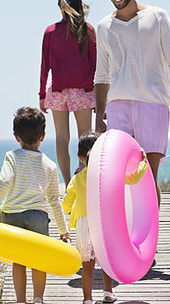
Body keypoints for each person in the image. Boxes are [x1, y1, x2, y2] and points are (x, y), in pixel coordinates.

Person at [93, 0, 170, 207]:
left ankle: (150, 240)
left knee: (148, 174)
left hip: (153, 104)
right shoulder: (104, 27)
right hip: (117, 107)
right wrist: (99, 115)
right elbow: (101, 75)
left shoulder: (157, 17)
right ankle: (126, 239)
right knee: (122, 175)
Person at [0, 107, 70, 304]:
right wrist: (63, 230)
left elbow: (4, 182)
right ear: (43, 136)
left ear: (16, 136)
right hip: (37, 215)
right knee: (39, 259)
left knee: (18, 260)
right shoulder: (50, 165)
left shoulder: (12, 156)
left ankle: (21, 301)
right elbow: (55, 200)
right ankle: (38, 299)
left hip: (12, 214)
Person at [39, 0, 97, 187]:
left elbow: (44, 66)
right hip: (83, 92)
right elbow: (95, 65)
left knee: (62, 139)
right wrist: (97, 95)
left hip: (57, 92)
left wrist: (41, 95)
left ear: (60, 6)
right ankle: (84, 179)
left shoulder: (50, 32)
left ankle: (67, 184)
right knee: (87, 140)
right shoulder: (87, 30)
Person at [61, 130, 116, 304]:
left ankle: (88, 299)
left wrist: (66, 208)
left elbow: (66, 204)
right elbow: (129, 181)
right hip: (102, 221)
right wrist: (142, 163)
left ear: (80, 156)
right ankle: (108, 293)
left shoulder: (77, 179)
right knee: (105, 262)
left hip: (84, 223)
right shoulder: (107, 177)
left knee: (87, 264)